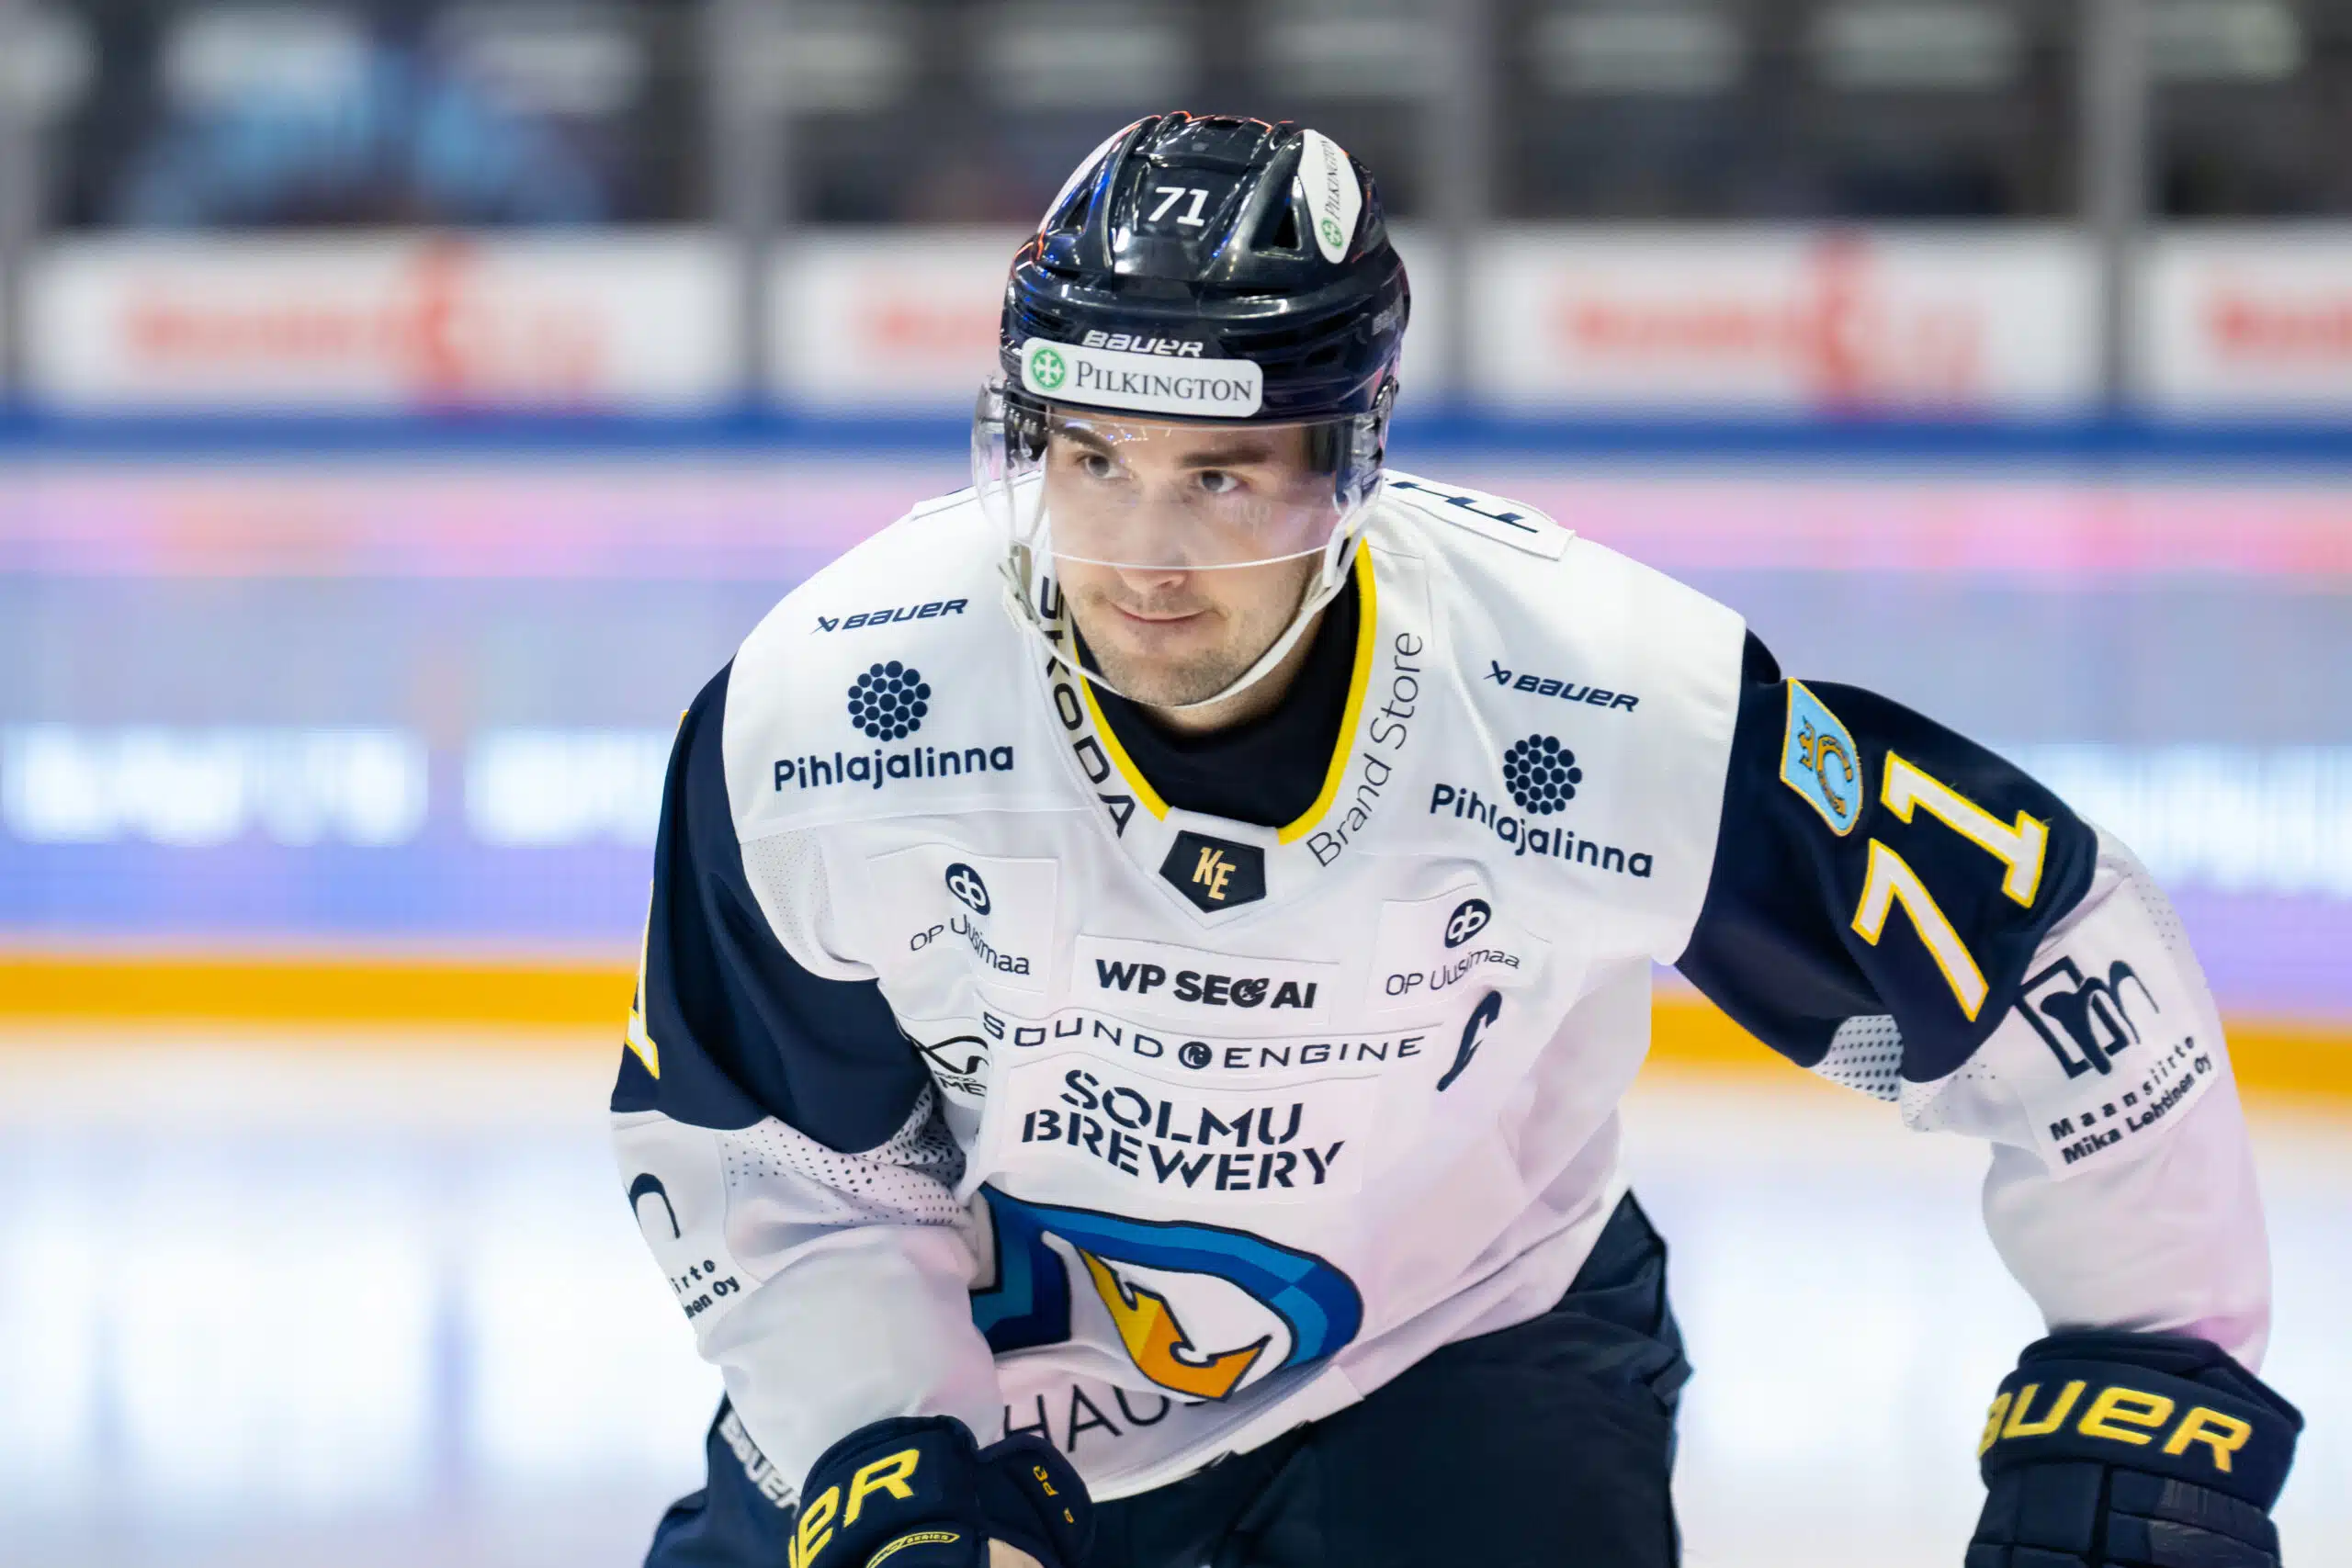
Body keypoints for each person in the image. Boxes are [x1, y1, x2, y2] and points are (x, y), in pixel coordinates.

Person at [613, 113, 2300, 1568]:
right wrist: (892, 1449)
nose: (1143, 557)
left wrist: (2154, 1375)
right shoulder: (828, 710)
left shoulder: (1599, 697)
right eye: (1094, 459)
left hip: (1460, 1345)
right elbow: (773, 1159)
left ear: (1352, 456)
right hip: (983, 1381)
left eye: (1222, 477)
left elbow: (2042, 956)